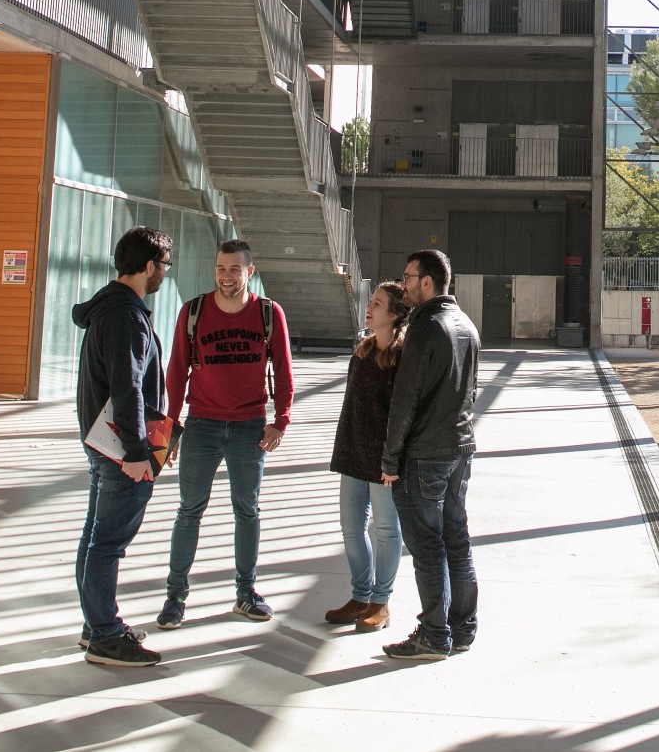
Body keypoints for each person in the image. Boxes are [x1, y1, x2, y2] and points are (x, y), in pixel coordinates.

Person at [155, 238, 293, 627]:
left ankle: (246, 593)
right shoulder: (193, 311)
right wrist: (170, 427)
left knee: (247, 511)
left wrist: (281, 420)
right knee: (188, 511)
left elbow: (284, 369)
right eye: (220, 268)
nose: (226, 276)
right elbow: (176, 372)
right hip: (202, 425)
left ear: (250, 272)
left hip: (250, 427)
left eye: (234, 269)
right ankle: (175, 596)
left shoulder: (268, 313)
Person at [72, 225, 172, 668]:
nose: (164, 273)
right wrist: (136, 452)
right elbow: (127, 387)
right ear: (149, 266)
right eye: (164, 265)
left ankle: (96, 625)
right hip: (120, 450)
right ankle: (106, 637)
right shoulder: (126, 316)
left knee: (96, 538)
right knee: (107, 543)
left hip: (103, 443)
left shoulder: (109, 308)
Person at [379, 247, 481, 662]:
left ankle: (435, 635)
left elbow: (405, 400)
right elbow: (471, 392)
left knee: (427, 547)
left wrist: (390, 459)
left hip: (425, 453)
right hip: (460, 448)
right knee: (457, 539)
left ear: (427, 281)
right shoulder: (466, 325)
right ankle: (463, 628)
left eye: (407, 278)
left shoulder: (424, 327)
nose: (402, 284)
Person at [325, 280, 410, 632]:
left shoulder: (403, 357)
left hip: (385, 459)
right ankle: (360, 595)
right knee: (351, 528)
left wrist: (394, 458)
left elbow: (403, 414)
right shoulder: (361, 351)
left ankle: (381, 601)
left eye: (377, 303)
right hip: (353, 451)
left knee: (387, 530)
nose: (368, 307)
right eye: (370, 301)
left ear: (394, 314)